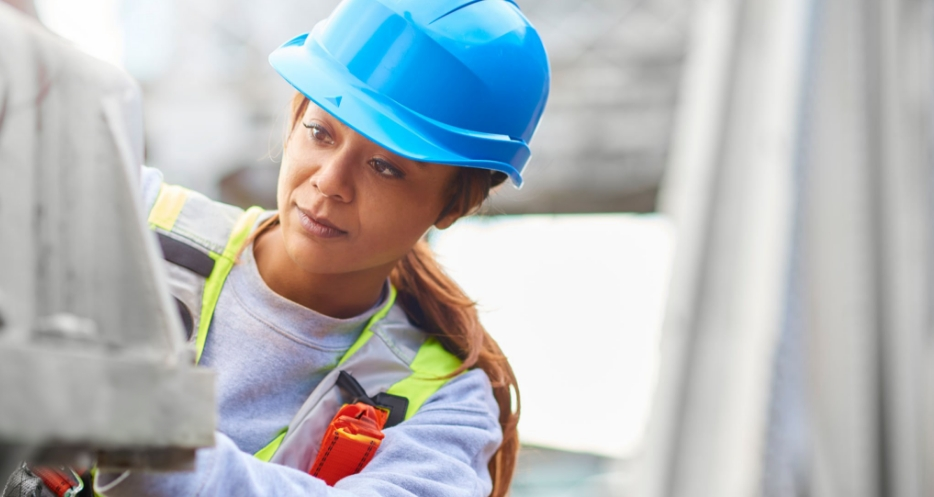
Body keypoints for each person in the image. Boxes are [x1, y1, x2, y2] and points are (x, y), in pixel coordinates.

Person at [93, 0, 550, 496]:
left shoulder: (446, 405)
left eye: (386, 167)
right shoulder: (128, 217)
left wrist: (139, 436)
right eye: (320, 132)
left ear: (453, 206)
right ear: (293, 122)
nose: (330, 182)